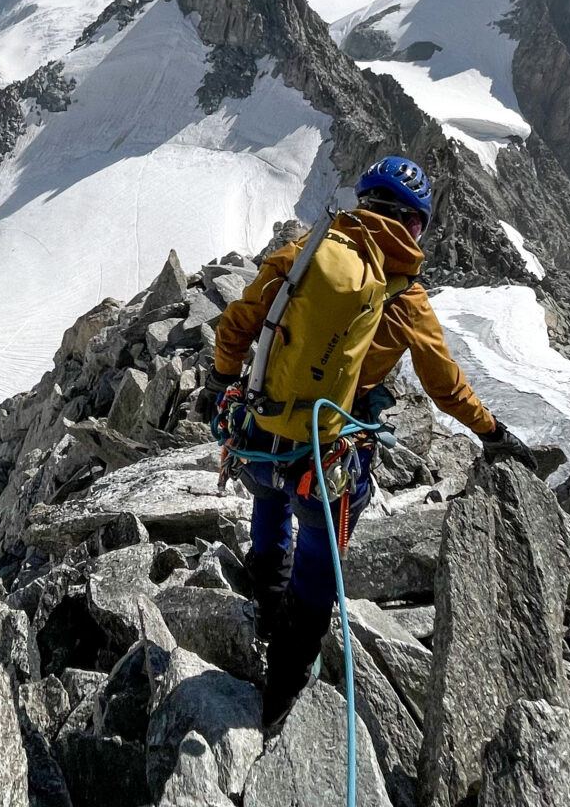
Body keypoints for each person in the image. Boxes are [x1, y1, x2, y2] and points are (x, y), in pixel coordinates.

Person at [195, 155, 538, 728]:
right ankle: (283, 687)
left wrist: (222, 382)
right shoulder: (407, 300)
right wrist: (493, 433)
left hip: (261, 442)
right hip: (326, 459)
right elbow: (445, 386)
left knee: (269, 502)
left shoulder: (305, 254)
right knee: (319, 558)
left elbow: (237, 323)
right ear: (412, 225)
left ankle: (264, 606)